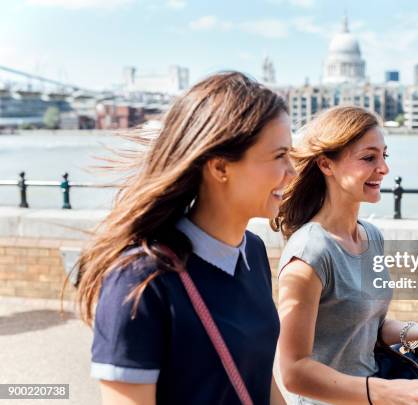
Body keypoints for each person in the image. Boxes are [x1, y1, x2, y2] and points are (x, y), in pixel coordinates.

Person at [75, 71, 295, 405]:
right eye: (280, 156)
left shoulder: (253, 251)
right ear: (220, 167)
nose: (292, 171)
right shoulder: (139, 281)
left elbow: (261, 381)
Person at [273, 106, 418, 405]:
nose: (383, 168)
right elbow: (293, 372)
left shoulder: (371, 237)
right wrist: (381, 392)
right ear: (326, 165)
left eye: (385, 156)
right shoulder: (310, 253)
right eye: (369, 157)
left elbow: (373, 328)